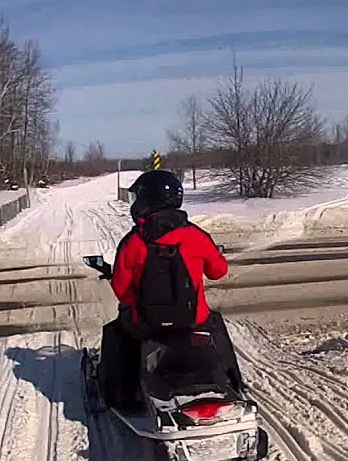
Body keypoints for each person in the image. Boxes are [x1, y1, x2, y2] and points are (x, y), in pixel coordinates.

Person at [98, 170, 243, 410]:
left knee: (118, 331)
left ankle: (121, 394)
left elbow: (122, 290)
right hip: (193, 320)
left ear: (146, 201)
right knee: (215, 324)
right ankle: (233, 382)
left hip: (146, 324)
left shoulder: (133, 242)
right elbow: (219, 271)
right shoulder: (196, 236)